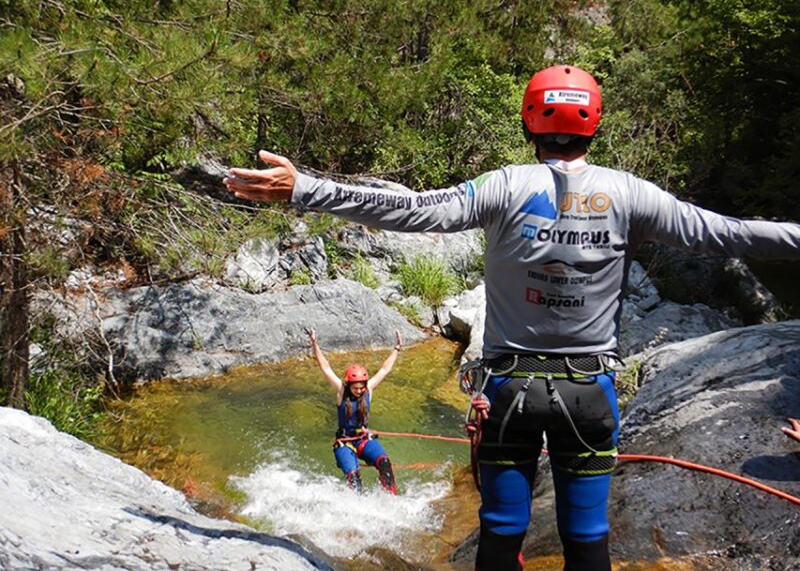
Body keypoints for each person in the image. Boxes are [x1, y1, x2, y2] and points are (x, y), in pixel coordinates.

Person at [224, 65, 800, 571]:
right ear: (593, 125)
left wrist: (307, 189)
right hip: (589, 393)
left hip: (509, 392)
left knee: (501, 533)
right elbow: (729, 233)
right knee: (589, 538)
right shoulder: (630, 194)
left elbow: (411, 211)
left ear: (530, 122)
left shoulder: (502, 185)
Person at [307, 326, 403, 494]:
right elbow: (326, 369)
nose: (359, 391)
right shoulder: (341, 392)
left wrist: (397, 349)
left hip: (363, 439)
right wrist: (314, 344)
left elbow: (384, 370)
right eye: (356, 388)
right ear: (349, 385)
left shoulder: (368, 390)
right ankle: (357, 507)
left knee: (385, 463)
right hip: (345, 443)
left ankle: (391, 497)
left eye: (361, 388)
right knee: (354, 477)